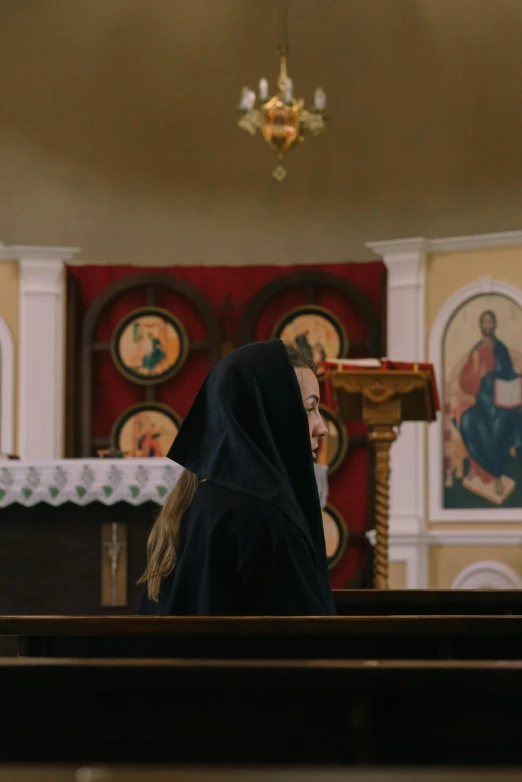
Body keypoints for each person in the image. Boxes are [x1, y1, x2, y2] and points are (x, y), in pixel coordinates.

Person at [137, 339, 335, 616]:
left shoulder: (196, 500)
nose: (322, 428)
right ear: (268, 416)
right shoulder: (268, 522)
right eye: (308, 409)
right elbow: (303, 642)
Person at [459, 309, 522, 494]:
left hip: (501, 402)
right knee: (468, 421)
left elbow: (508, 374)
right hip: (483, 402)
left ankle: (494, 474)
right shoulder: (477, 349)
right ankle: (486, 472)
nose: (487, 325)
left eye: (490, 322)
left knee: (499, 428)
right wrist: (478, 372)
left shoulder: (500, 348)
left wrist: (499, 377)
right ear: (481, 325)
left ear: (494, 325)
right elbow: (466, 382)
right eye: (484, 322)